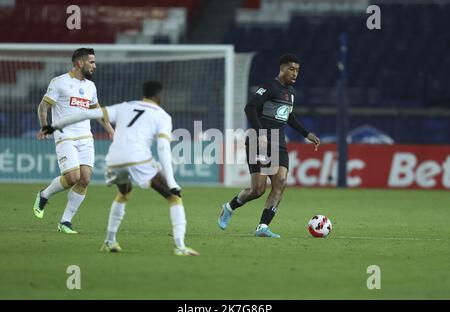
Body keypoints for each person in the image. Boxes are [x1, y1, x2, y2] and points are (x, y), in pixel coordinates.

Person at [42, 81, 199, 256]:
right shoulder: (162, 116)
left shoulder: (125, 106)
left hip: (114, 160)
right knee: (174, 198)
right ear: (159, 97)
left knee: (124, 193)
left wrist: (54, 126)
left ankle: (109, 241)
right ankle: (180, 246)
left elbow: (87, 113)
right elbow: (163, 148)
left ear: (143, 95)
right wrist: (171, 181)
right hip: (138, 159)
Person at [218, 54, 321, 238]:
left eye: (297, 70)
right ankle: (228, 207)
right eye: (291, 69)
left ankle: (263, 227)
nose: (295, 73)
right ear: (282, 69)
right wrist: (261, 133)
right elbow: (250, 108)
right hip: (259, 140)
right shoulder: (269, 86)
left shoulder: (291, 93)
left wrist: (307, 134)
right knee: (258, 189)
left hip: (278, 142)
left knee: (280, 182)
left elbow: (288, 116)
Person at [33, 48, 114, 234]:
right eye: (91, 62)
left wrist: (110, 129)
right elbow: (43, 105)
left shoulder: (90, 87)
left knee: (85, 179)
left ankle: (65, 222)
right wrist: (45, 126)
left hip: (86, 137)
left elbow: (97, 110)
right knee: (72, 177)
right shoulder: (60, 82)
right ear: (80, 63)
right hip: (65, 135)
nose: (95, 65)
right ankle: (44, 195)